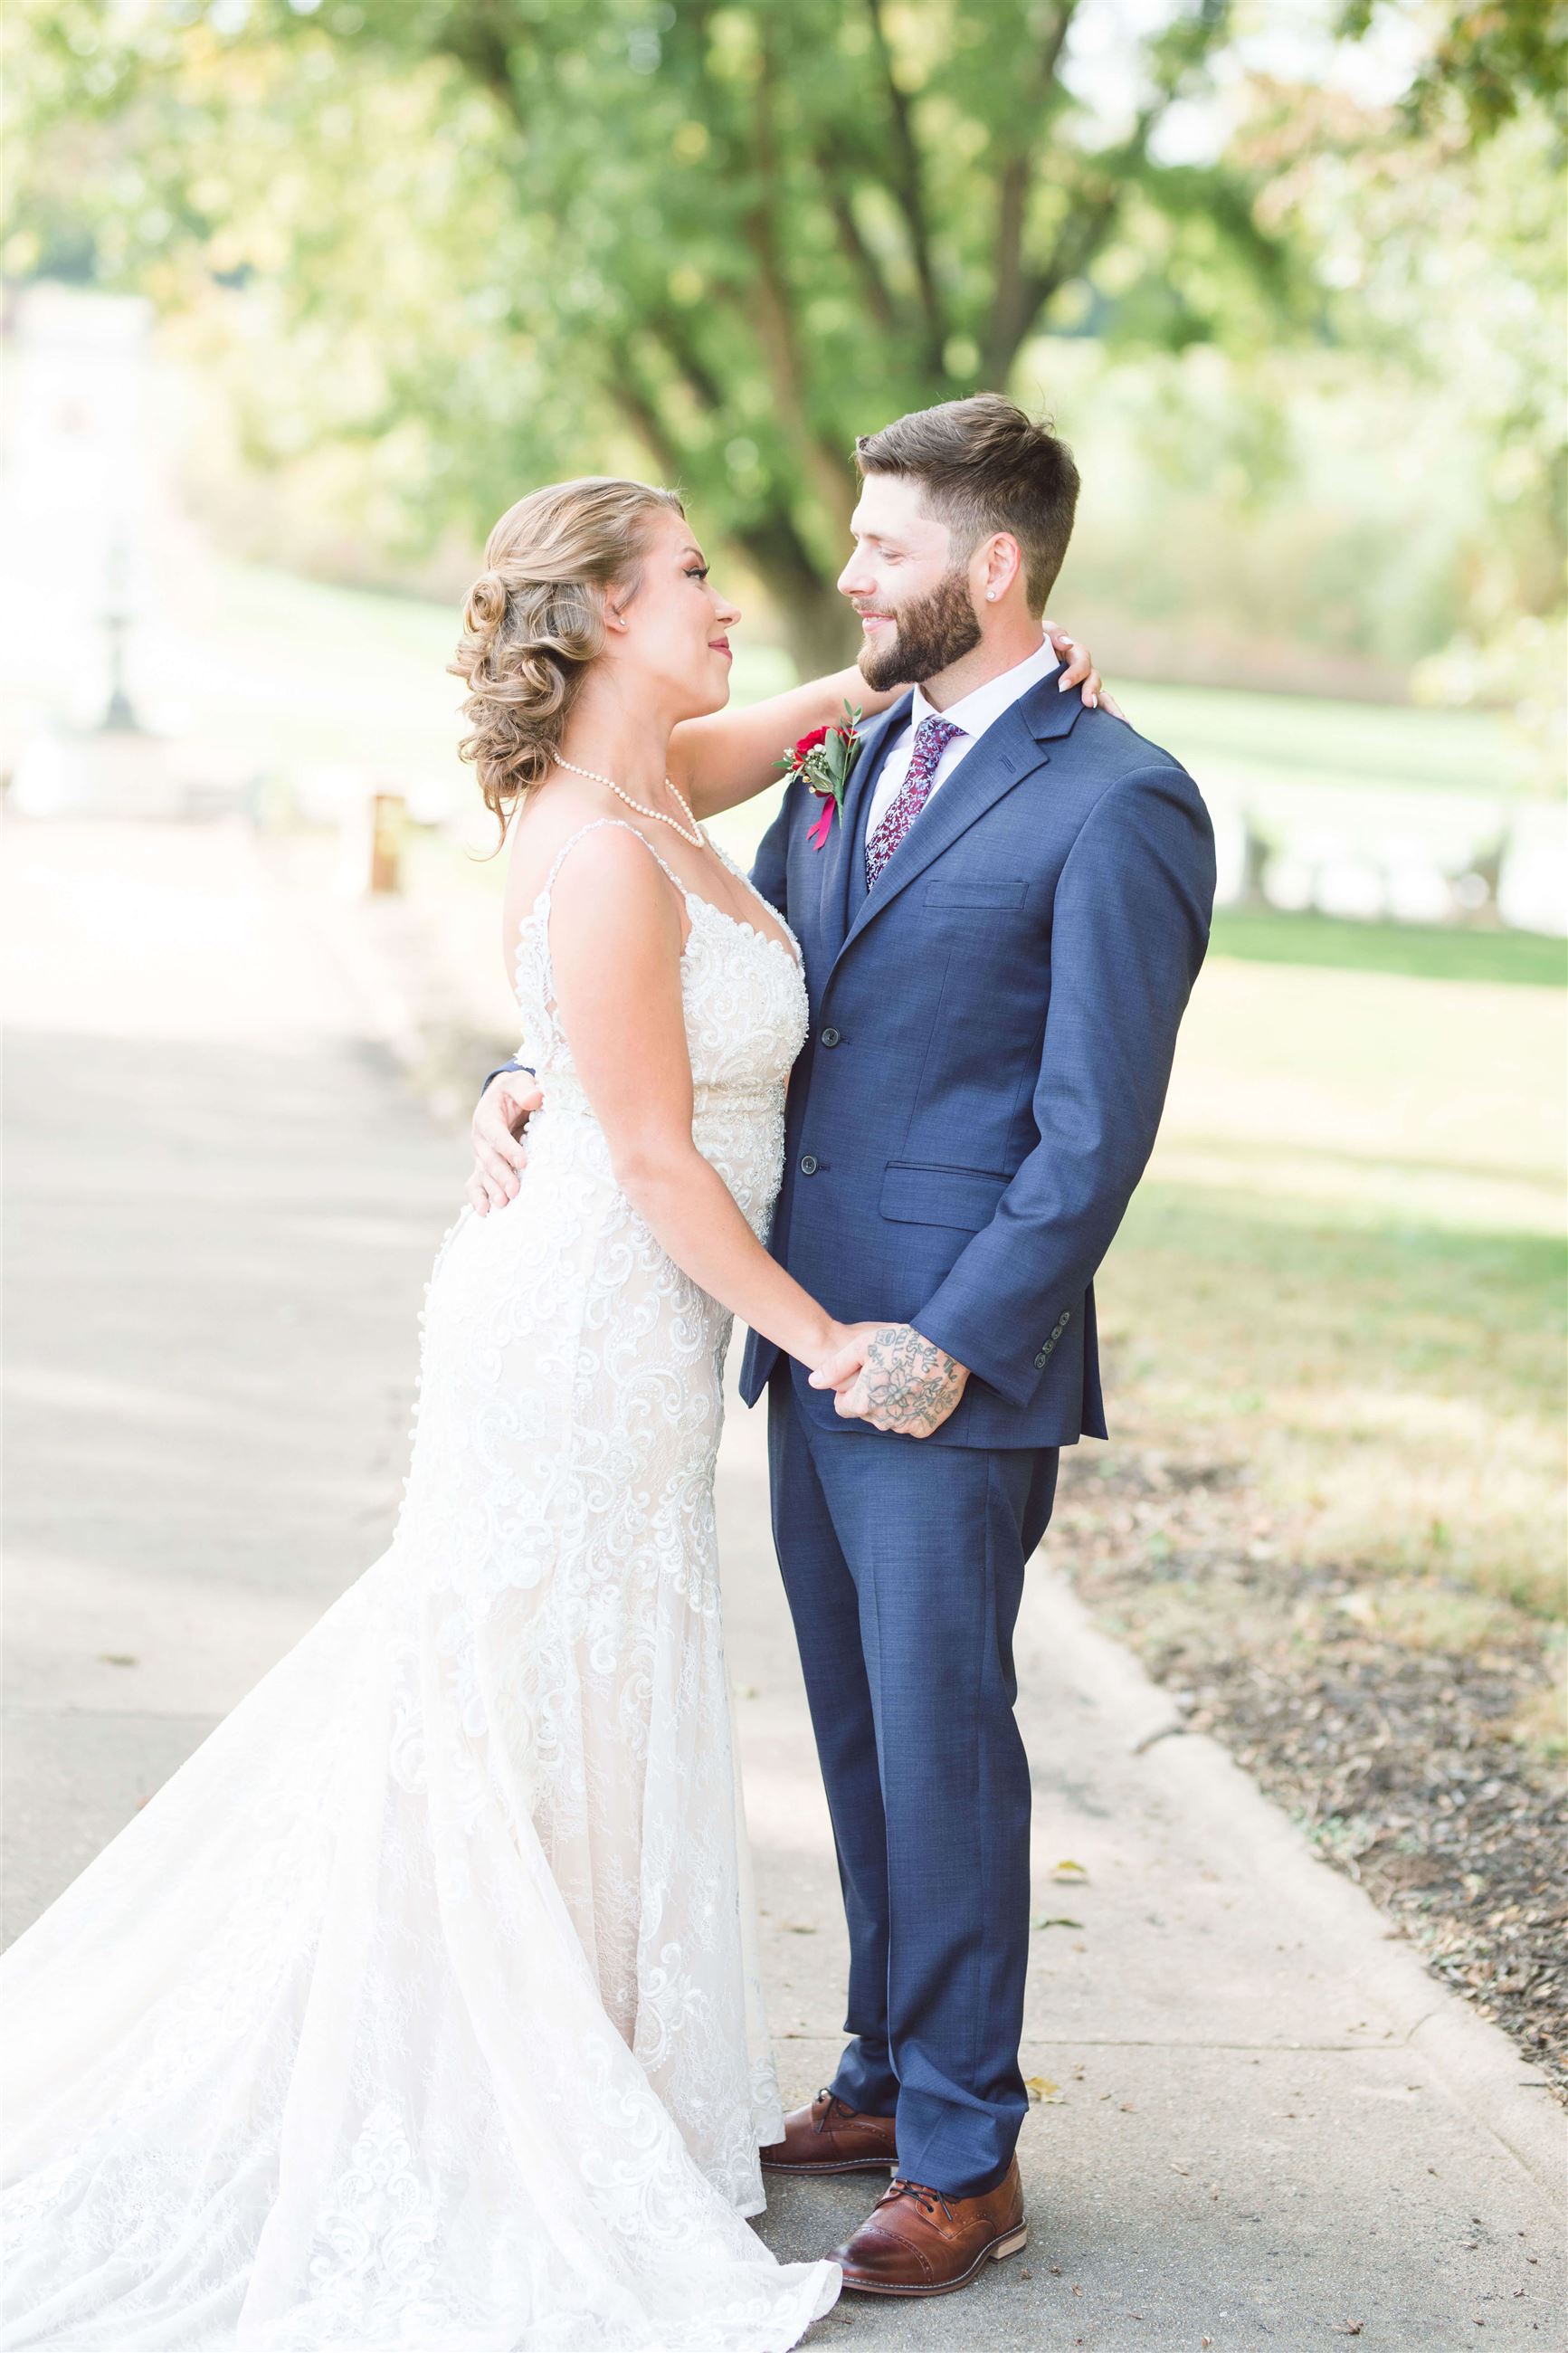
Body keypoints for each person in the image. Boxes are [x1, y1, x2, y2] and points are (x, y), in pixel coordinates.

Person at [0, 464, 1101, 2351]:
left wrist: (954, 666)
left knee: (585, 1688)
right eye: (691, 577)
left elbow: (800, 727)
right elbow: (665, 1164)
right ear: (598, 614)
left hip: (634, 1337)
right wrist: (826, 1336)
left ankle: (573, 2059)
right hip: (587, 1324)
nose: (735, 599)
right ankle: (469, 2093)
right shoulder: (594, 840)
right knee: (520, 1689)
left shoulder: (656, 787)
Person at [470, 396, 1215, 2301]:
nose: (845, 574)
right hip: (798, 1342)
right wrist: (526, 1074)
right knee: (868, 1734)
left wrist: (945, 1348)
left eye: (882, 549)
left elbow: (1087, 1137)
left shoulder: (1120, 797)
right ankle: (884, 2074)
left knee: (947, 1744)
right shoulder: (845, 753)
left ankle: (970, 2151)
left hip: (938, 1364)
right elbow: (651, 959)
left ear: (992, 567)